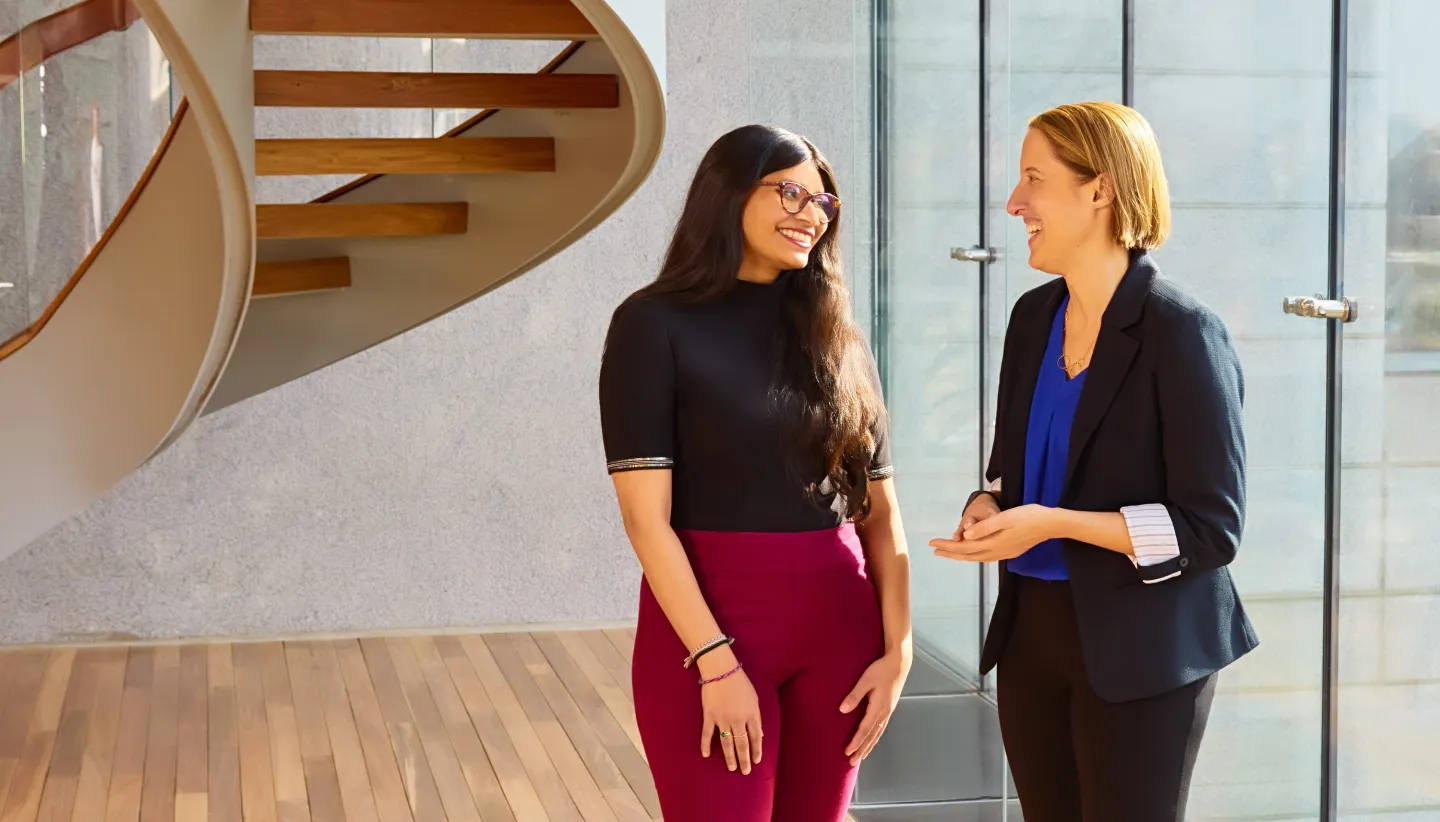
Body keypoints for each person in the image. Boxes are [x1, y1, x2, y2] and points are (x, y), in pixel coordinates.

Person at [929, 101, 1259, 822]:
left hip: (1144, 647)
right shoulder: (1030, 318)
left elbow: (1211, 528)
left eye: (1033, 180)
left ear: (1100, 190)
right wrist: (988, 508)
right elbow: (1006, 473)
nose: (1015, 204)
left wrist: (1054, 523)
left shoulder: (1184, 333)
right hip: (1030, 637)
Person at [598, 124, 912, 822]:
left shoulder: (840, 338)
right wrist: (714, 660)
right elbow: (645, 520)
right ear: (729, 192)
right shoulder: (651, 325)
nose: (810, 214)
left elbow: (882, 518)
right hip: (710, 632)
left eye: (823, 203)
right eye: (790, 192)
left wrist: (900, 653)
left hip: (842, 638)